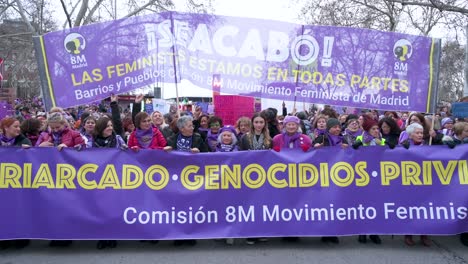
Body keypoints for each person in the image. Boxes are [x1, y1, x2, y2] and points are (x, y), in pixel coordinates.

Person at [164, 116, 208, 246]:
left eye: (192, 126)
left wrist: (199, 151)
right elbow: (164, 160)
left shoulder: (198, 138)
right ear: (182, 128)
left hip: (193, 178)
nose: (192, 127)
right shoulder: (171, 139)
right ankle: (177, 235)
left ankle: (190, 234)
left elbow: (209, 155)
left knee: (191, 207)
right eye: (189, 126)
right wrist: (166, 151)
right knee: (177, 208)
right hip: (176, 178)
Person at [92, 115, 127, 249]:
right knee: (100, 209)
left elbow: (127, 153)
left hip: (114, 179)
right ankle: (102, 237)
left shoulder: (117, 139)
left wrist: (126, 150)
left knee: (113, 208)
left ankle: (113, 236)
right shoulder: (92, 140)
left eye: (111, 126)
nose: (110, 128)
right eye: (107, 126)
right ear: (100, 128)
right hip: (98, 180)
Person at [0, 117, 31, 249]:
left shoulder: (24, 140)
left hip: (19, 183)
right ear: (6, 128)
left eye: (19, 126)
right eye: (15, 126)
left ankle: (21, 236)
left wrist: (28, 149)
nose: (19, 129)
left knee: (19, 208)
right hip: (3, 183)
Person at [400, 123, 431, 247]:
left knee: (425, 209)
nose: (420, 135)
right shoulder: (403, 146)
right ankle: (408, 234)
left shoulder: (429, 145)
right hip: (409, 183)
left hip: (425, 182)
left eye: (421, 133)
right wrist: (402, 149)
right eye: (417, 133)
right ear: (410, 134)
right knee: (411, 209)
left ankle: (424, 235)